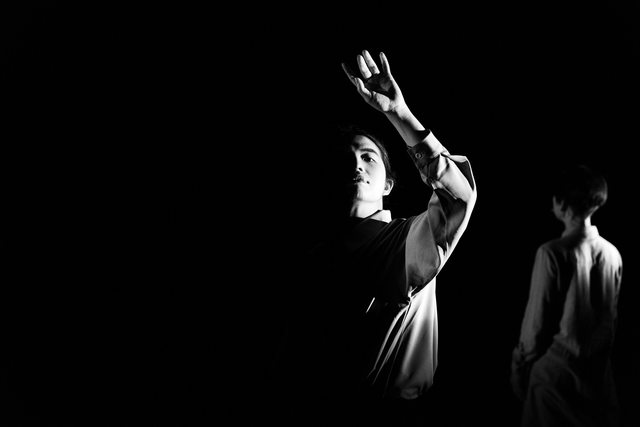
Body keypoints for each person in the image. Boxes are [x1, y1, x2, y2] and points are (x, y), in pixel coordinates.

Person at [269, 49, 476, 426]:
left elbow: (457, 197)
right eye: (345, 158)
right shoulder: (315, 258)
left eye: (368, 157)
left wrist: (398, 112)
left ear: (388, 184)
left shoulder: (404, 241)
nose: (356, 164)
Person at [510, 164, 623, 427]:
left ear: (562, 203)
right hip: (599, 381)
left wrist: (520, 367)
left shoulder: (552, 253)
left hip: (555, 381)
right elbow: (611, 321)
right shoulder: (613, 254)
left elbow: (535, 326)